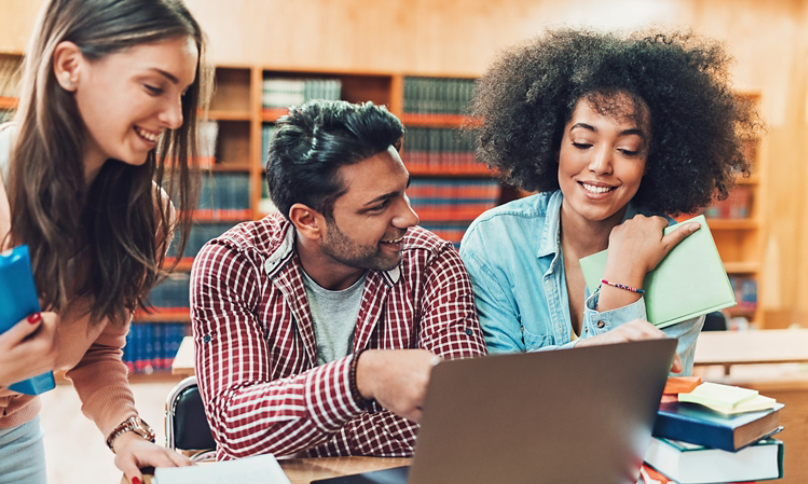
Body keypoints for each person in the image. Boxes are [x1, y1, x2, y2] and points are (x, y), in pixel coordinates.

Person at [191, 99, 487, 460]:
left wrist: (285, 435)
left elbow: (459, 416)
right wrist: (363, 376)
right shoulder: (233, 264)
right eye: (379, 206)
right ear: (307, 220)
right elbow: (237, 427)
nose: (410, 217)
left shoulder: (434, 263)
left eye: (403, 191)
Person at [459, 29, 760, 375]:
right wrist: (619, 290)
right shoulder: (496, 242)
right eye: (583, 142)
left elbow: (640, 403)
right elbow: (495, 389)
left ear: (652, 160)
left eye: (627, 149)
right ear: (553, 143)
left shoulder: (680, 256)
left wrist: (621, 283)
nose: (601, 165)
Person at [0, 0, 210, 482]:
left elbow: (97, 351)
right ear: (69, 66)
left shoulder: (148, 215)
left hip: (15, 440)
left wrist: (127, 433)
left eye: (183, 94)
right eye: (155, 87)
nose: (176, 117)